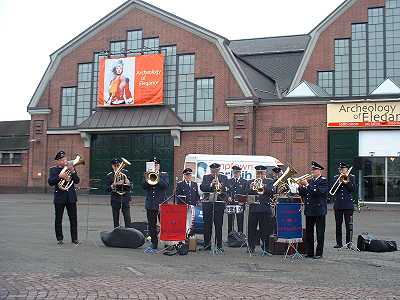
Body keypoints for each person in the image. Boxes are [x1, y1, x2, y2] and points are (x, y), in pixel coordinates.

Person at [47, 151, 80, 245]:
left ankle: (74, 239)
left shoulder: (71, 169)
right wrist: (59, 177)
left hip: (71, 197)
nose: (64, 161)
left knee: (73, 219)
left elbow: (77, 181)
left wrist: (73, 171)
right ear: (57, 161)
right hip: (59, 198)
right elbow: (50, 182)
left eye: (65, 159)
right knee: (58, 219)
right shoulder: (53, 170)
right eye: (62, 159)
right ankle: (59, 238)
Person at [298, 161, 329, 259]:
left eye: (314, 169)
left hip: (319, 210)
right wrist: (300, 187)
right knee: (309, 233)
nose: (312, 171)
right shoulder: (310, 181)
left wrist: (307, 185)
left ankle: (319, 253)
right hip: (310, 210)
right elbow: (304, 194)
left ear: (319, 171)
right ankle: (309, 252)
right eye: (312, 169)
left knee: (320, 233)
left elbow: (318, 192)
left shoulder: (323, 181)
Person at [142, 157, 169, 252]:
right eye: (154, 165)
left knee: (164, 225)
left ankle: (167, 243)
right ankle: (154, 243)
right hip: (150, 203)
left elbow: (165, 186)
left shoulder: (164, 175)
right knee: (152, 225)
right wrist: (148, 177)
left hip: (161, 203)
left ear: (159, 166)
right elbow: (144, 186)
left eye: (156, 165)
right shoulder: (147, 174)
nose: (155, 166)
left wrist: (157, 177)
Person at [200, 162, 228, 252]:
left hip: (219, 205)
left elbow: (227, 189)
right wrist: (211, 184)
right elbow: (202, 187)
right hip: (208, 205)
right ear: (211, 170)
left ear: (219, 170)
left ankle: (219, 245)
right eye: (213, 171)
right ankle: (207, 245)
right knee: (207, 226)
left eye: (216, 170)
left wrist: (221, 186)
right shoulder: (206, 177)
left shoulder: (224, 178)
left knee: (219, 226)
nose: (215, 172)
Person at [247, 165, 275, 255]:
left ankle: (266, 248)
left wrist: (263, 187)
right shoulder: (251, 182)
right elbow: (246, 193)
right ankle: (251, 247)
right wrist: (250, 189)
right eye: (258, 173)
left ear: (265, 173)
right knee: (251, 229)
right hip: (253, 209)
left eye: (261, 173)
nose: (259, 175)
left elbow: (272, 192)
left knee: (265, 230)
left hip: (265, 209)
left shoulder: (269, 182)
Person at [332, 162, 356, 248]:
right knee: (338, 225)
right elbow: (332, 190)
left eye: (343, 169)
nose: (342, 170)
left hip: (348, 205)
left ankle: (348, 243)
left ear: (347, 169)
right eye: (340, 169)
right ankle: (339, 243)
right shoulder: (335, 177)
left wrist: (346, 182)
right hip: (338, 205)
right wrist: (339, 182)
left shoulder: (352, 177)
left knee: (348, 225)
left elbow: (353, 189)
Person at [105, 158, 132, 228]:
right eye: (115, 165)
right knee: (116, 218)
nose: (117, 167)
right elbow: (107, 189)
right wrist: (113, 185)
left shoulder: (126, 173)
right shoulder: (109, 175)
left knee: (127, 218)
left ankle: (129, 233)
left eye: (118, 165)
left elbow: (131, 186)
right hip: (115, 198)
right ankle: (116, 233)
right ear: (112, 166)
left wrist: (128, 183)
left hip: (125, 198)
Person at [226, 165, 247, 235]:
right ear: (233, 172)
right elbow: (226, 191)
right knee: (230, 221)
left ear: (240, 173)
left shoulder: (244, 182)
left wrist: (242, 201)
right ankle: (230, 236)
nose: (236, 174)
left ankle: (240, 236)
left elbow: (245, 193)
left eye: (237, 172)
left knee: (240, 221)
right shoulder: (229, 181)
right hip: (231, 204)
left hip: (240, 205)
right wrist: (228, 197)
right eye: (234, 172)